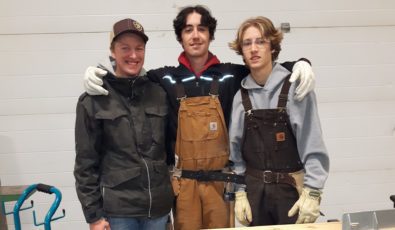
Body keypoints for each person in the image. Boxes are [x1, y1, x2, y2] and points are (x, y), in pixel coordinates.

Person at [82, 5, 316, 230]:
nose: (195, 35)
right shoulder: (164, 78)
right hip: (183, 188)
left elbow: (264, 66)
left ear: (210, 35)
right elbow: (129, 75)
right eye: (188, 29)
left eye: (202, 29)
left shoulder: (231, 75)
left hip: (221, 187)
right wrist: (100, 73)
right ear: (180, 37)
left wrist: (301, 64)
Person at [228, 16, 330, 226]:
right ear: (241, 51)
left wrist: (313, 192)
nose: (254, 49)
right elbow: (235, 152)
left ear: (272, 46)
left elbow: (312, 143)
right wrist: (239, 192)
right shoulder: (241, 96)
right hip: (254, 194)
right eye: (247, 43)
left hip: (291, 193)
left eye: (261, 41)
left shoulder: (294, 87)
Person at [74, 18, 174, 230]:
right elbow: (85, 165)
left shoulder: (159, 93)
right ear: (112, 51)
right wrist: (94, 216)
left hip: (158, 208)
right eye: (125, 48)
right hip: (119, 213)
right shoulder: (93, 100)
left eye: (139, 48)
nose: (134, 55)